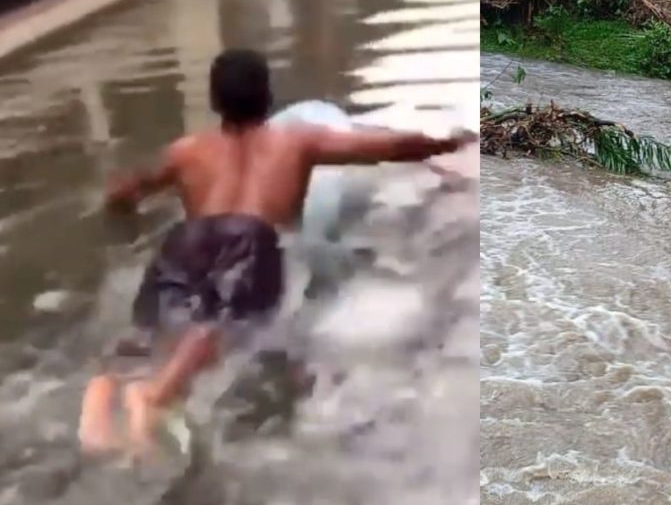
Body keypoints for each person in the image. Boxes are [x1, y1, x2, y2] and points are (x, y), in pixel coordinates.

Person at [78, 48, 475, 455]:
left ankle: (101, 399)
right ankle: (154, 397)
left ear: (215, 102)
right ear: (268, 97)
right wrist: (445, 144)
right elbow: (388, 146)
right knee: (220, 324)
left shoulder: (186, 150)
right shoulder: (297, 140)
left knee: (151, 330)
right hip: (250, 239)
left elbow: (127, 189)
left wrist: (119, 208)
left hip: (188, 240)